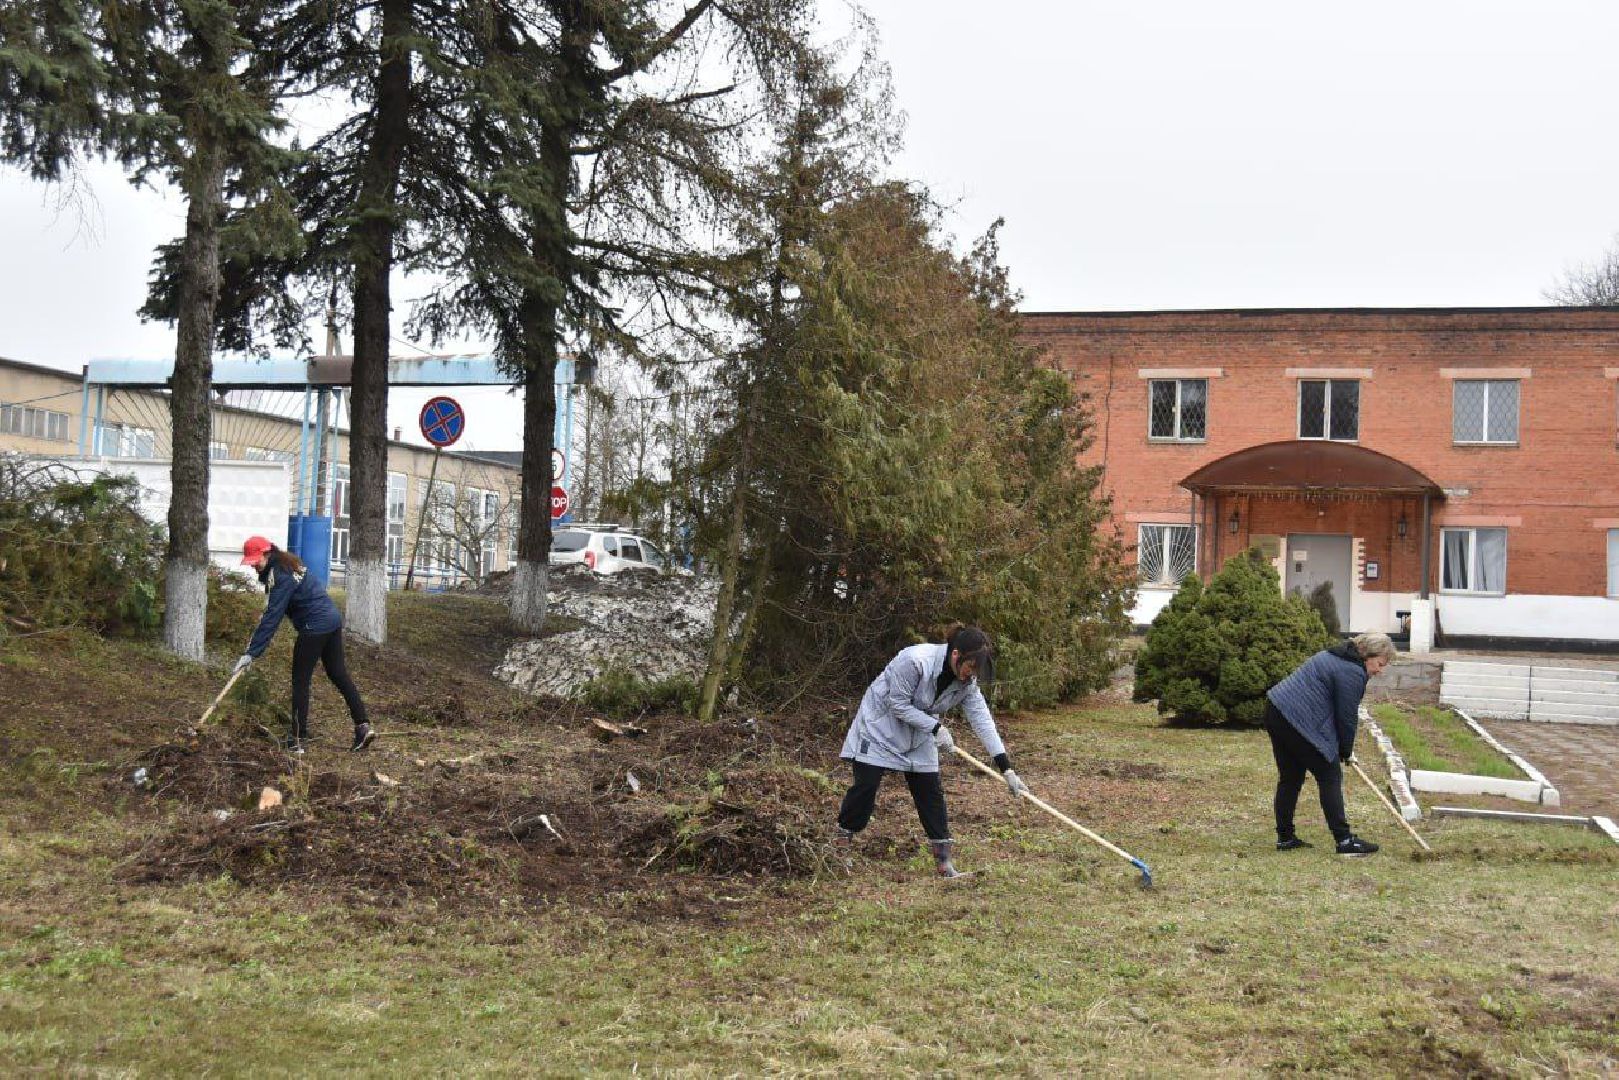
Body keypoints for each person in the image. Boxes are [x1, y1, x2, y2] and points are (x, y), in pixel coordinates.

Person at [835, 625, 1029, 878]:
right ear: (956, 655)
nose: (972, 675)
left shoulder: (966, 683)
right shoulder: (915, 661)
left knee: (930, 790)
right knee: (866, 786)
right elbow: (898, 704)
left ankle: (944, 863)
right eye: (971, 666)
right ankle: (839, 849)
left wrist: (1006, 768)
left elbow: (982, 719)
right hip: (880, 726)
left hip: (920, 733)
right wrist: (936, 727)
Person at [234, 535, 374, 755]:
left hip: (314, 627)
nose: (254, 567)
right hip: (332, 620)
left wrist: (252, 653)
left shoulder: (279, 575)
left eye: (255, 561)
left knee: (300, 681)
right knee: (339, 674)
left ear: (267, 553)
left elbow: (272, 616)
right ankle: (363, 726)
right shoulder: (290, 563)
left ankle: (298, 739)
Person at [1263, 631, 1397, 856]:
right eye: (1379, 664)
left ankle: (1285, 837)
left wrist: (1342, 748)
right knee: (1329, 774)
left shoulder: (1336, 655)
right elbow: (1345, 716)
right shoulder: (1352, 671)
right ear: (1368, 655)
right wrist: (1345, 751)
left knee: (1291, 777)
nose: (1379, 671)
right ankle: (1344, 841)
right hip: (1295, 717)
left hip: (1276, 709)